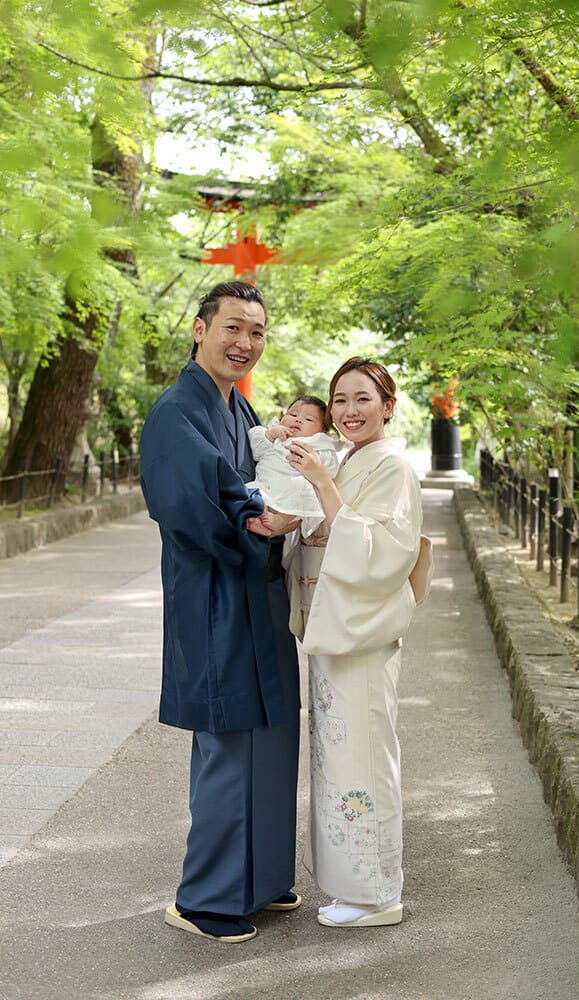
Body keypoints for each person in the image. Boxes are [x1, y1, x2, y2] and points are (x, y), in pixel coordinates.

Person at [139, 281, 301, 944]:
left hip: (255, 595)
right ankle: (205, 896)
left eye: (256, 332)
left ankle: (258, 883)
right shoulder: (178, 410)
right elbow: (187, 504)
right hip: (214, 598)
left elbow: (258, 477)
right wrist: (257, 521)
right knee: (229, 743)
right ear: (200, 330)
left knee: (270, 735)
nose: (244, 343)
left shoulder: (238, 406)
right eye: (233, 328)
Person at [285, 357, 423, 928]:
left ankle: (377, 894)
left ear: (388, 406)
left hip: (360, 633)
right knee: (338, 757)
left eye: (363, 399)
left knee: (364, 756)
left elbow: (383, 550)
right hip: (333, 628)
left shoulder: (393, 466)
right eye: (339, 400)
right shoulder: (351, 460)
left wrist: (320, 483)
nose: (348, 411)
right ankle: (350, 884)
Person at [247, 395, 344, 537]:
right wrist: (270, 435)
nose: (298, 420)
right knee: (250, 491)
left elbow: (329, 470)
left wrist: (316, 459)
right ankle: (258, 516)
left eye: (309, 419)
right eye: (293, 414)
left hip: (292, 487)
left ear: (322, 430)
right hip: (265, 483)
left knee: (303, 487)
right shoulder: (272, 434)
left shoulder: (318, 444)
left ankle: (281, 519)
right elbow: (255, 452)